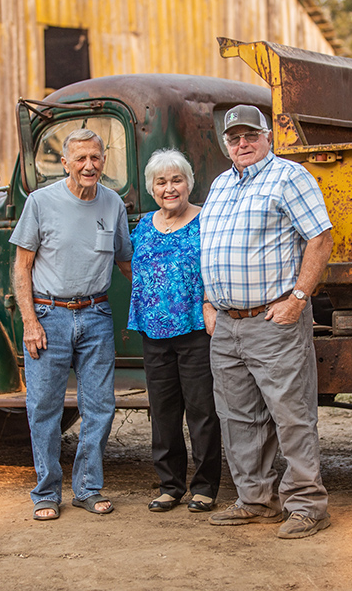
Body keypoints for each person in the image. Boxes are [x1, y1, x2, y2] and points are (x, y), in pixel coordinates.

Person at [200, 105, 334, 539]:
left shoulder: (290, 177)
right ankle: (256, 501)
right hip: (227, 323)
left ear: (267, 136)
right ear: (226, 144)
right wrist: (208, 301)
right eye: (235, 137)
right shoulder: (220, 185)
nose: (243, 144)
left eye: (250, 135)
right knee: (238, 417)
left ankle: (308, 505)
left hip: (273, 319)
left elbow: (320, 237)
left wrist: (298, 298)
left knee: (290, 414)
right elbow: (212, 250)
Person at [10, 128, 132, 521]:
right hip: (49, 316)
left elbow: (125, 263)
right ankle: (46, 492)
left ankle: (87, 488)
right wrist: (30, 322)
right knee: (44, 407)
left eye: (95, 157)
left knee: (100, 406)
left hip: (96, 316)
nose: (89, 165)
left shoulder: (113, 204)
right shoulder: (40, 202)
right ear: (65, 163)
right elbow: (22, 266)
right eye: (80, 158)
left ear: (103, 160)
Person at [128, 149, 222, 513]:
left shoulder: (205, 220)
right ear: (152, 188)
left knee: (202, 411)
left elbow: (217, 265)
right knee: (164, 411)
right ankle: (170, 485)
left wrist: (206, 301)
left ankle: (205, 486)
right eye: (162, 182)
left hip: (196, 329)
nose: (170, 188)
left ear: (189, 183)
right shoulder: (144, 226)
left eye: (177, 180)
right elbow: (130, 266)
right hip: (153, 331)